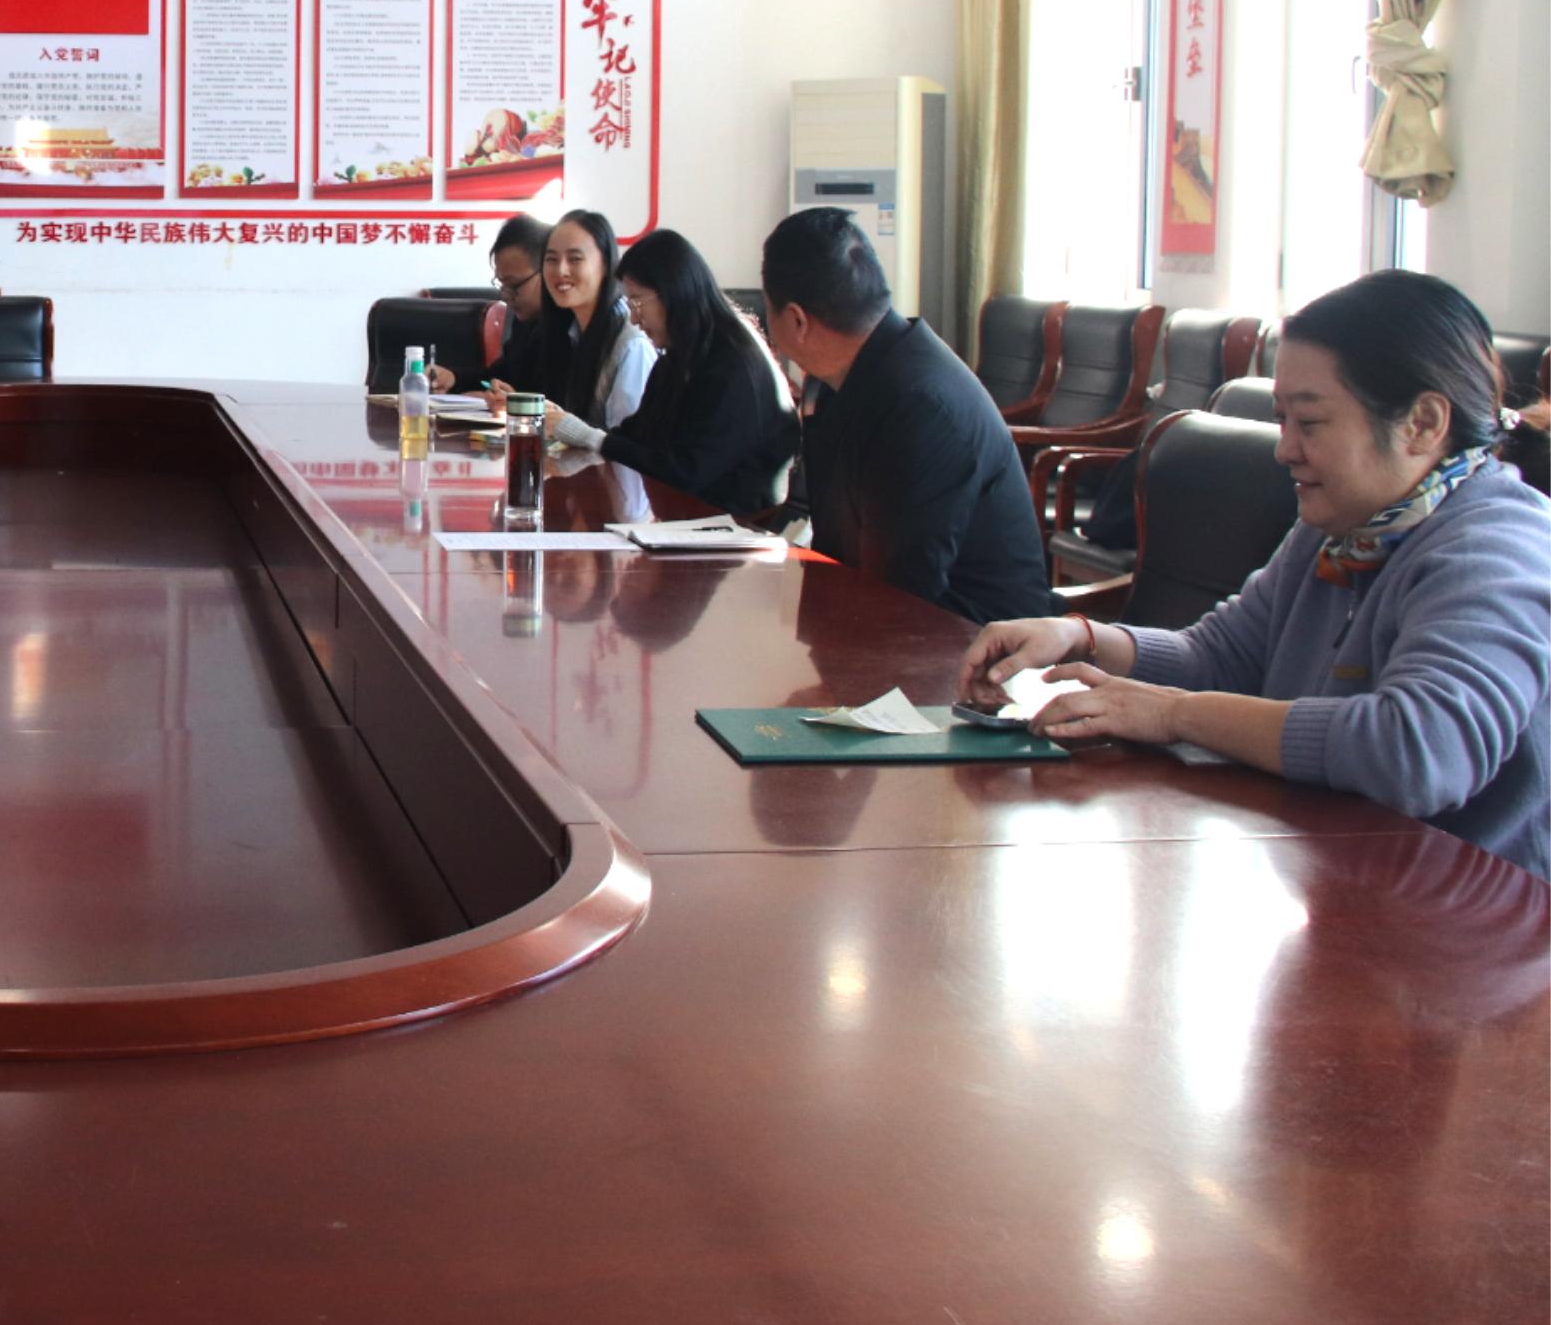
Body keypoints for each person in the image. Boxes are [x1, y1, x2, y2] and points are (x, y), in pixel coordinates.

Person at [961, 271, 1549, 879]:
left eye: (1309, 423)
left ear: (1422, 423)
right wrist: (1081, 636)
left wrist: (1176, 714)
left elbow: (1420, 751)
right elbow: (1222, 655)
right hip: (1339, 874)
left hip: (1471, 916)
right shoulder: (1346, 526)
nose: (1284, 449)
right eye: (1282, 419)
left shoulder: (1498, 546)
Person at [761, 206, 1047, 625]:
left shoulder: (920, 406)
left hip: (974, 639)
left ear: (796, 319)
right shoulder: (846, 376)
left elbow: (901, 591)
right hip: (885, 622)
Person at [551, 228, 796, 515]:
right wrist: (569, 430)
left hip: (739, 527)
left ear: (673, 292)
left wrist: (592, 438)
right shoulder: (679, 355)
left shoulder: (734, 364)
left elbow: (685, 471)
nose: (634, 319)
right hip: (684, 519)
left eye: (637, 302)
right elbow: (636, 434)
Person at [518, 208, 655, 429]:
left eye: (575, 259)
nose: (561, 270)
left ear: (606, 265)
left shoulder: (631, 344)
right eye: (551, 259)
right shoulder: (567, 330)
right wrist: (519, 405)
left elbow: (628, 443)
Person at [430, 213, 551, 397]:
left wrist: (515, 402)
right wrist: (453, 378)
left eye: (514, 285)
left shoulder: (570, 329)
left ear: (549, 271)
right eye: (502, 284)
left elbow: (560, 405)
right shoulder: (526, 321)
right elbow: (500, 374)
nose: (506, 296)